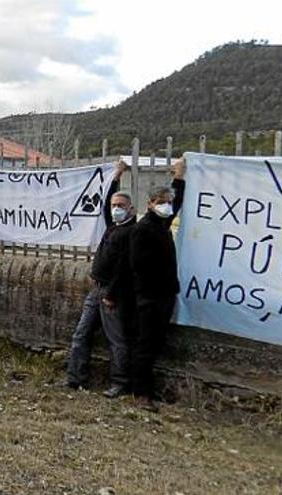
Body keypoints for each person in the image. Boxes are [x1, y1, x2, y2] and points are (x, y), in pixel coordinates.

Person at [65, 160, 136, 398]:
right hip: (96, 289)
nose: (116, 208)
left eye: (121, 206)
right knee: (81, 334)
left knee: (116, 339)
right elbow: (106, 203)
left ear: (131, 209)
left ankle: (119, 383)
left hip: (111, 293)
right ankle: (75, 378)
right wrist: (116, 176)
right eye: (115, 205)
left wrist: (112, 295)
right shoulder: (113, 226)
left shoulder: (130, 232)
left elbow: (125, 268)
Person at [128, 157, 187, 411]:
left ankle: (145, 389)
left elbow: (179, 202)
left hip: (163, 296)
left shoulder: (161, 224)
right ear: (149, 204)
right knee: (146, 343)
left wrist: (180, 177)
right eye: (160, 202)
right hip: (150, 298)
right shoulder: (143, 229)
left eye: (167, 202)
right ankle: (140, 393)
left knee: (155, 343)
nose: (166, 206)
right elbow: (138, 266)